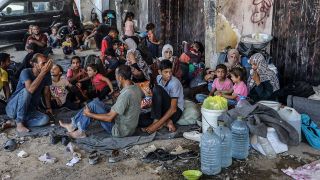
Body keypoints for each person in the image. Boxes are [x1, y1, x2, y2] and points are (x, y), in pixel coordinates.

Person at [59, 65, 143, 138]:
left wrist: (90, 114)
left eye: (116, 76)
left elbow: (109, 118)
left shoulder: (126, 94)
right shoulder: (135, 87)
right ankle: (73, 124)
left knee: (92, 106)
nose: (116, 78)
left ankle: (80, 131)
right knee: (96, 102)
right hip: (128, 125)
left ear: (120, 78)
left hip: (119, 130)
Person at [6, 53, 53, 133]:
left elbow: (46, 92)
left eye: (46, 62)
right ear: (35, 64)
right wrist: (43, 73)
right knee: (26, 91)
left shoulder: (46, 74)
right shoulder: (25, 72)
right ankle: (19, 123)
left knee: (45, 119)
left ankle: (14, 122)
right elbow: (30, 89)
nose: (45, 65)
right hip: (13, 108)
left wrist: (48, 108)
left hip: (29, 110)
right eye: (43, 63)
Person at [143, 60, 184, 133]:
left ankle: (157, 121)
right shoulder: (159, 78)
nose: (169, 74)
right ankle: (166, 122)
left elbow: (173, 109)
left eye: (170, 71)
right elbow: (158, 97)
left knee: (157, 88)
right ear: (159, 72)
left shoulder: (174, 83)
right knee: (141, 120)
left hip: (175, 111)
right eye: (166, 72)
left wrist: (155, 125)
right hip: (164, 109)